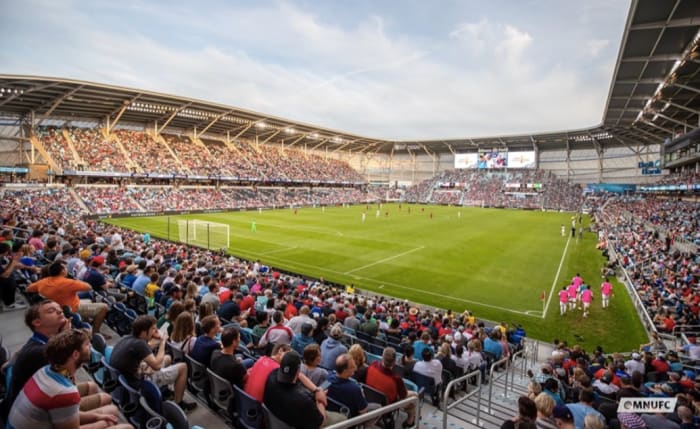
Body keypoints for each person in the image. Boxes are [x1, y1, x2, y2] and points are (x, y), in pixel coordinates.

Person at [8, 329, 131, 429]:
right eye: (87, 345)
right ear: (75, 354)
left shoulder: (46, 370)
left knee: (110, 412)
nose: (91, 347)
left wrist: (96, 417)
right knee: (121, 425)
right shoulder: (65, 393)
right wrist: (102, 423)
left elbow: (67, 415)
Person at [110, 315, 197, 412]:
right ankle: (180, 404)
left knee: (167, 358)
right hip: (141, 384)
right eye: (153, 329)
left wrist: (157, 340)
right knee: (183, 367)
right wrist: (163, 341)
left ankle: (165, 392)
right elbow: (157, 366)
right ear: (143, 332)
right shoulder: (140, 344)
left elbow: (145, 350)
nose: (155, 331)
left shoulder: (127, 338)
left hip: (130, 377)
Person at [263, 351, 346, 429]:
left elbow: (299, 375)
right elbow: (321, 424)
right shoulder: (304, 401)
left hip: (278, 421)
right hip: (306, 421)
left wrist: (316, 390)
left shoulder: (271, 377)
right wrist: (320, 401)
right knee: (343, 419)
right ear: (299, 370)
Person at [27, 261, 109, 336]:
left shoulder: (43, 281)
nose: (67, 270)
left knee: (89, 300)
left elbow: (29, 288)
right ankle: (96, 332)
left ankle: (85, 324)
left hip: (58, 308)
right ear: (62, 271)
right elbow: (88, 287)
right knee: (104, 307)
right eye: (65, 268)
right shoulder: (67, 282)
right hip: (72, 309)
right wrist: (74, 282)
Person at [326, 353, 380, 419]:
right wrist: (362, 397)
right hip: (349, 418)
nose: (355, 368)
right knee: (379, 407)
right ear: (345, 370)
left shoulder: (328, 378)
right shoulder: (354, 389)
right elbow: (363, 412)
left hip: (334, 411)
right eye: (352, 367)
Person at [0, 242, 26, 310]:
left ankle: (10, 301)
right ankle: (9, 304)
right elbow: (5, 275)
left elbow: (4, 269)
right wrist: (14, 262)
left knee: (11, 277)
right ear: (5, 252)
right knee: (9, 280)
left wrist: (13, 262)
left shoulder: (2, 257)